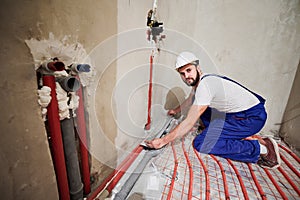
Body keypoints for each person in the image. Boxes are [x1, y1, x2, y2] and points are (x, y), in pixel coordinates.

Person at [145, 51, 281, 169]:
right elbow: (191, 99)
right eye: (182, 73)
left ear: (197, 67)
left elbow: (189, 121)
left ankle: (263, 150)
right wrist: (176, 110)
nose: (186, 76)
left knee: (202, 143)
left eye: (189, 70)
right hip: (243, 114)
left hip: (251, 119)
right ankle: (246, 137)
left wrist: (163, 141)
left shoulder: (206, 86)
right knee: (204, 111)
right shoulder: (203, 81)